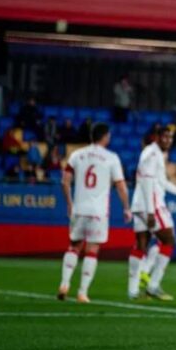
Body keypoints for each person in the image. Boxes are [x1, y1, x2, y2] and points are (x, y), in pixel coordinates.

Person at [57, 123, 131, 303]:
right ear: (105, 137)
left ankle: (65, 283)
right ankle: (82, 292)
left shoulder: (77, 154)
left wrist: (69, 203)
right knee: (92, 250)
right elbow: (121, 186)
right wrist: (126, 207)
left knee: (73, 247)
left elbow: (65, 181)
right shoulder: (111, 158)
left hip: (79, 209)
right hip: (98, 212)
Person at [129, 126, 176, 300]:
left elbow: (162, 181)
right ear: (157, 137)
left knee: (141, 245)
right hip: (151, 205)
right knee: (169, 240)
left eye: (170, 138)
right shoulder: (153, 154)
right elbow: (147, 182)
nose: (168, 140)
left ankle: (132, 291)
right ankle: (153, 286)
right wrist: (150, 211)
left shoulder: (154, 154)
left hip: (140, 204)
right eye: (165, 137)